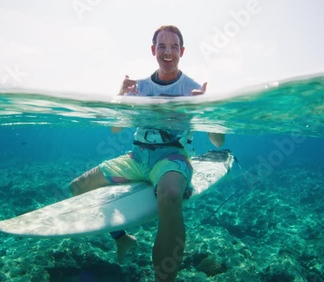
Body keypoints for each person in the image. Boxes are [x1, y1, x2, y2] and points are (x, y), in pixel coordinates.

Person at [69, 25, 224, 282]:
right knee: (78, 187)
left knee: (172, 195)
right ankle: (122, 239)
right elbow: (116, 128)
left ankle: (164, 279)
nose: (168, 51)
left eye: (174, 46)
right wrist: (121, 97)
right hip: (138, 157)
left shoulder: (194, 89)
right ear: (153, 50)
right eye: (162, 46)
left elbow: (218, 142)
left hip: (171, 159)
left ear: (182, 52)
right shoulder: (138, 87)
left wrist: (207, 111)